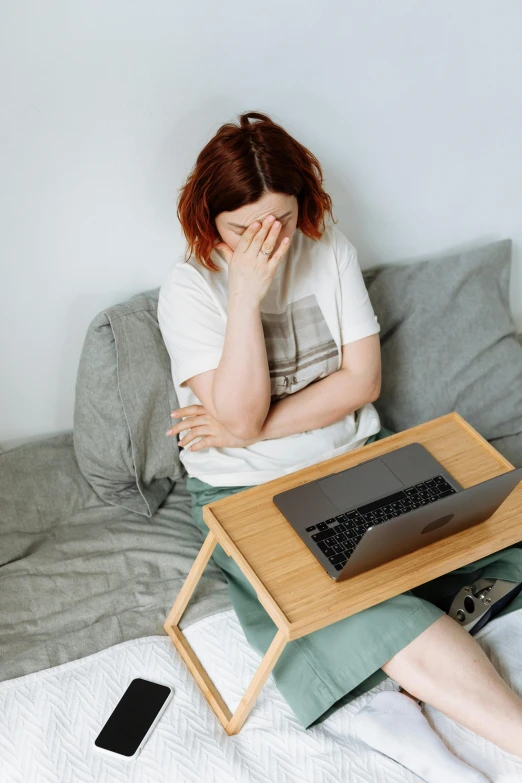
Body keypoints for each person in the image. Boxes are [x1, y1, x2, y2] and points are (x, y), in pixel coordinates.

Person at [158, 110, 522, 782]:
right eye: (245, 229)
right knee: (352, 605)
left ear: (306, 205)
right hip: (250, 495)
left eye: (283, 221)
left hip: (358, 462)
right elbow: (234, 411)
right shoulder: (188, 288)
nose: (270, 241)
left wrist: (250, 427)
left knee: (483, 534)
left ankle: (404, 683)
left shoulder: (331, 249)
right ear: (209, 220)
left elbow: (362, 380)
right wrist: (244, 297)